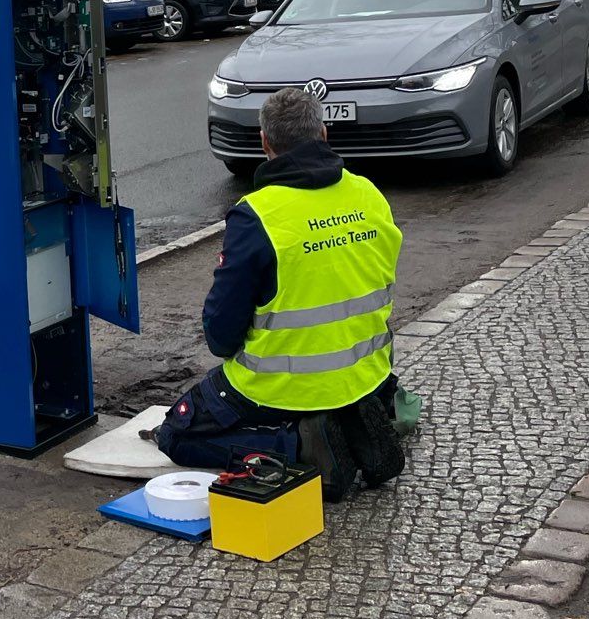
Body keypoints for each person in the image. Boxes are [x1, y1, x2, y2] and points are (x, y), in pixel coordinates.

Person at [157, 87, 405, 497]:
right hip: (367, 374)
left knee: (176, 434)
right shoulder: (369, 196)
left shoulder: (258, 216)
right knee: (334, 399)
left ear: (265, 143)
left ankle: (301, 448)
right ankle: (349, 422)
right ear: (324, 134)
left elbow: (221, 336)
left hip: (281, 387)